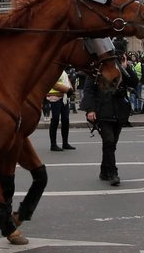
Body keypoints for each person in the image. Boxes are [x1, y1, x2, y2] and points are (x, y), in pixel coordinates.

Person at [81, 52, 138, 186]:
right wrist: (90, 110)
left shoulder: (122, 70)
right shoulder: (97, 70)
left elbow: (134, 82)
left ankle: (104, 170)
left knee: (112, 144)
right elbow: (88, 90)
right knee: (109, 141)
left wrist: (126, 67)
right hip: (103, 110)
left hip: (119, 111)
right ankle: (113, 172)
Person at [46, 70, 74, 151]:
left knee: (66, 120)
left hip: (64, 98)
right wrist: (67, 90)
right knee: (55, 120)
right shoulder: (53, 70)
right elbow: (53, 83)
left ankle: (65, 143)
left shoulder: (63, 71)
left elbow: (67, 81)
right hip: (55, 97)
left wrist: (71, 89)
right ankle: (53, 144)